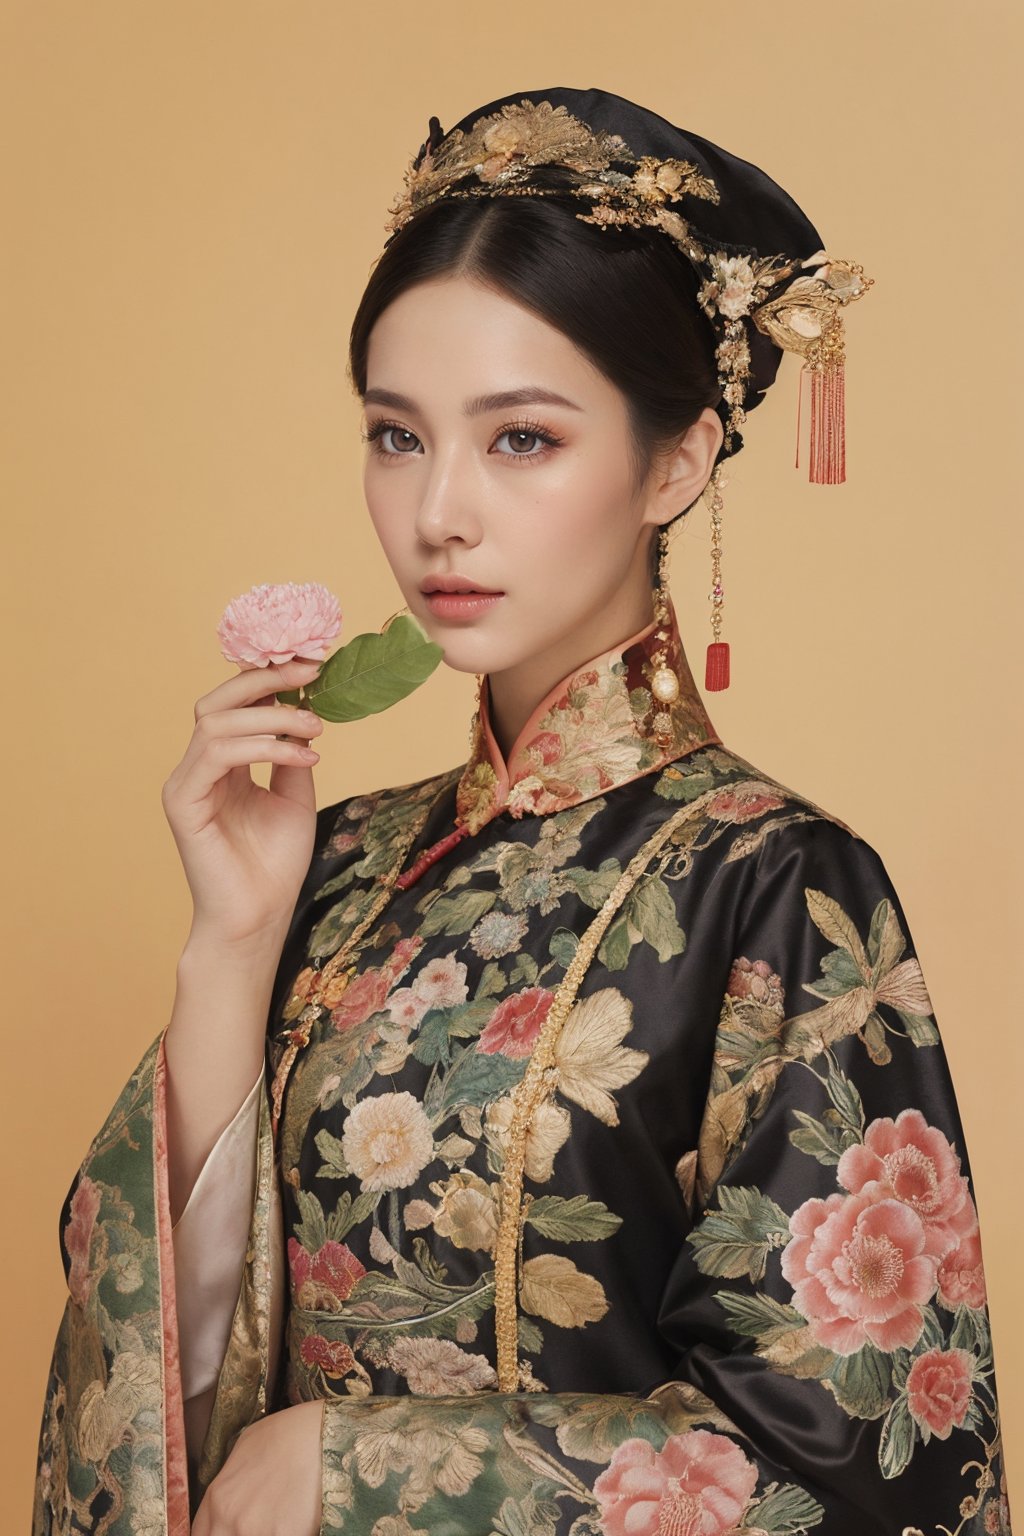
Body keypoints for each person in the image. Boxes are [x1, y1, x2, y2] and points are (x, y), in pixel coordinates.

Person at [32, 86, 1012, 1536]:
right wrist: (231, 946)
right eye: (394, 435)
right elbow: (164, 1369)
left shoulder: (777, 884)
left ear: (673, 463)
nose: (439, 513)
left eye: (523, 440)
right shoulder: (341, 858)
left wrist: (357, 1472)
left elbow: (861, 1459)